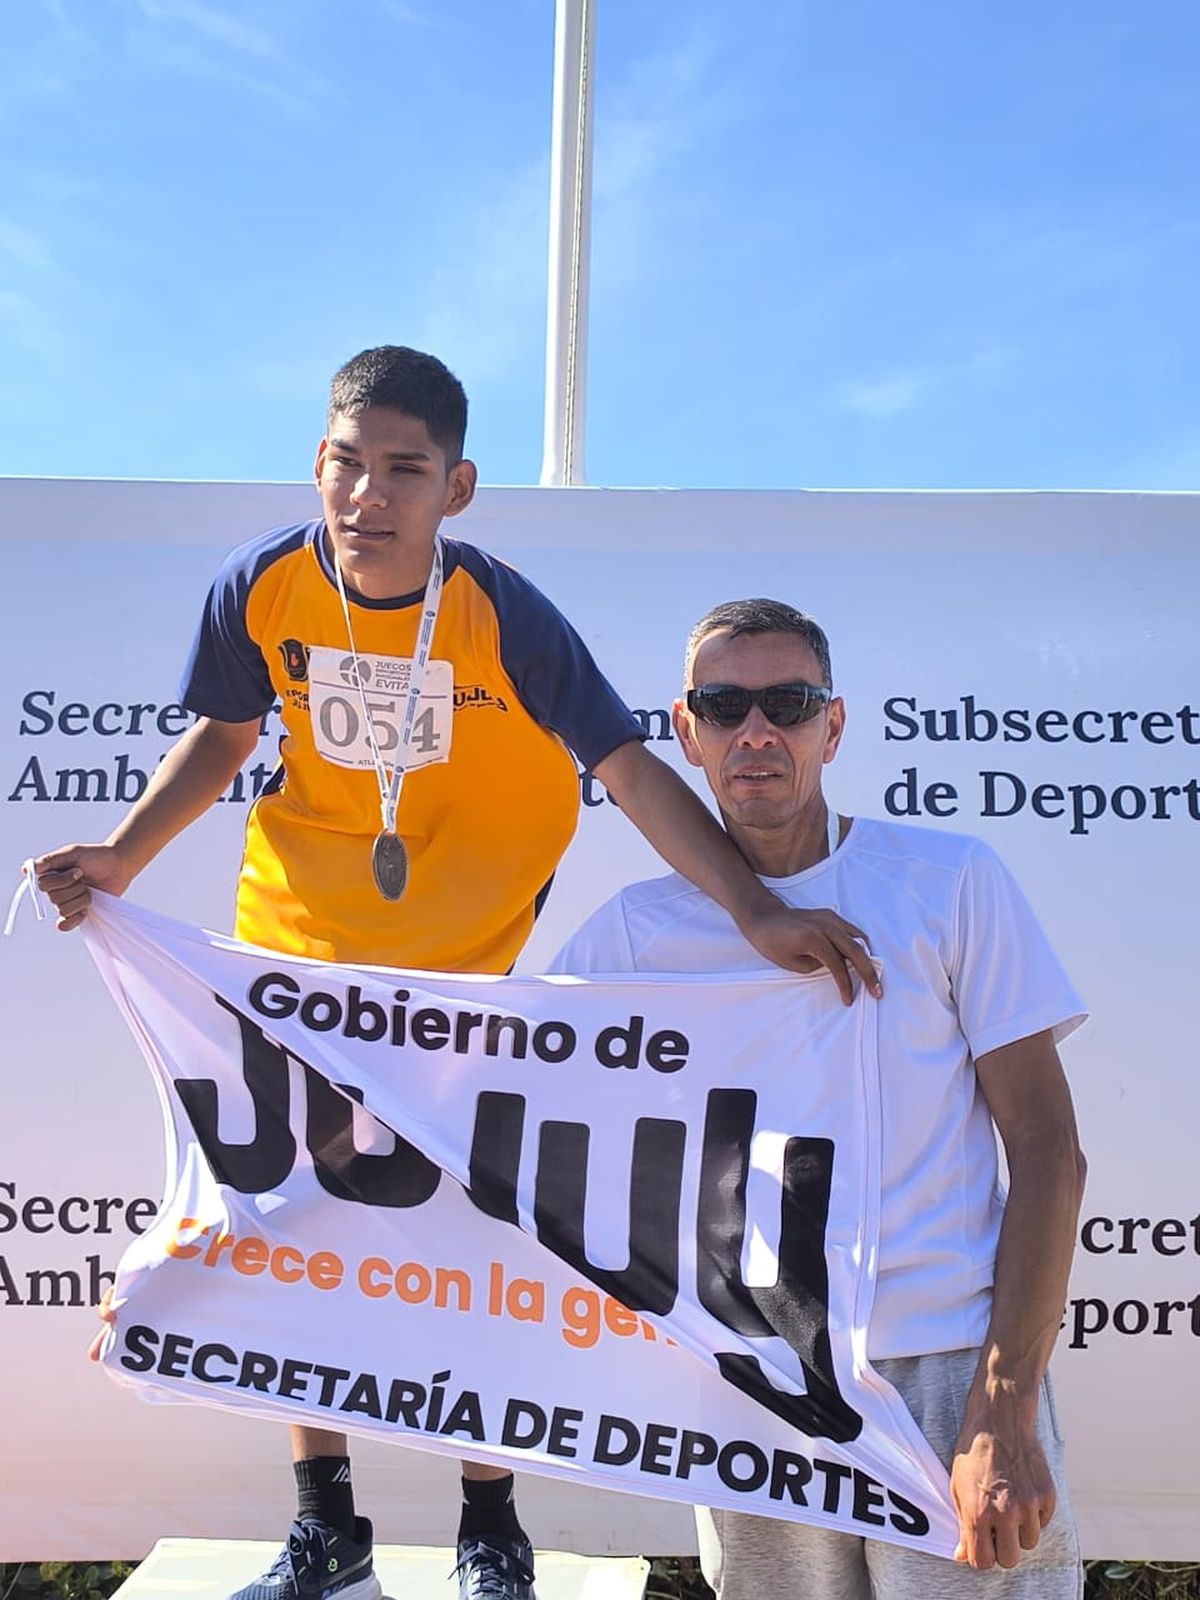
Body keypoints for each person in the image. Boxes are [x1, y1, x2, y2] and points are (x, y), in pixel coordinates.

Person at [33, 352, 879, 1600]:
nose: (367, 493)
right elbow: (222, 733)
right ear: (317, 463)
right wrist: (123, 851)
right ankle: (327, 1521)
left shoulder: (505, 613)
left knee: (472, 1239)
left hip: (461, 977)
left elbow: (632, 770)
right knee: (287, 1230)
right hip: (302, 954)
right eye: (346, 461)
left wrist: (752, 907)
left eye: (403, 470)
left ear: (458, 488)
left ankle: (494, 1523)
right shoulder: (261, 585)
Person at [550, 597, 1089, 1599]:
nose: (755, 730)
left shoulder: (949, 881)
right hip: (758, 1388)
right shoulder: (634, 933)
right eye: (723, 704)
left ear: (831, 725)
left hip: (946, 1377)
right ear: (687, 731)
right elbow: (484, 1092)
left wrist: (1002, 1407)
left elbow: (1051, 1151)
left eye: (786, 702)